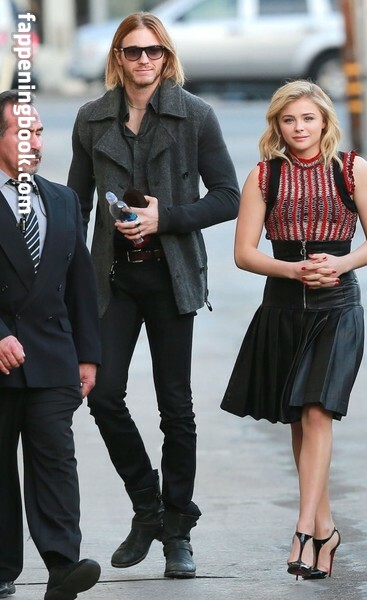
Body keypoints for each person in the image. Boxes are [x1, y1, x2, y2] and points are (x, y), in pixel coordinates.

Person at [67, 12, 239, 579]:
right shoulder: (91, 119)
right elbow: (76, 205)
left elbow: (228, 196)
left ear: (167, 57)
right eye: (133, 51)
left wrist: (168, 219)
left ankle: (177, 533)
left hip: (172, 278)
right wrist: (60, 281)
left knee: (176, 408)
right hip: (112, 280)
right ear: (117, 57)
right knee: (103, 395)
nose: (144, 60)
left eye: (154, 51)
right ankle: (149, 508)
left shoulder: (195, 116)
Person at [221, 80, 367, 580]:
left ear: (324, 121)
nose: (299, 128)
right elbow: (244, 253)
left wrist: (340, 263)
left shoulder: (352, 169)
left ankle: (302, 530)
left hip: (338, 306)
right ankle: (325, 526)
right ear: (277, 124)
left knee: (317, 411)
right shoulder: (263, 175)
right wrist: (294, 270)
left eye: (308, 118)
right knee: (300, 419)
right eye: (289, 119)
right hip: (283, 307)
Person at [0, 90, 102, 599]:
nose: (36, 143)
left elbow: (81, 283)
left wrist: (88, 355)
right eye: (24, 134)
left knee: (56, 462)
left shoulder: (62, 200)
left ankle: (63, 567)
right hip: (1, 358)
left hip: (53, 357)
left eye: (39, 133)